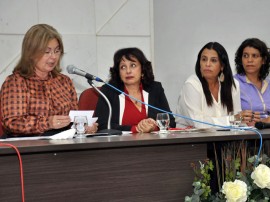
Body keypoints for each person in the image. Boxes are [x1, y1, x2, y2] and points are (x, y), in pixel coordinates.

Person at [0, 24, 98, 137]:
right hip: (29, 147)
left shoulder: (64, 81)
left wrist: (84, 126)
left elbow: (73, 119)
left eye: (57, 51)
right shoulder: (16, 82)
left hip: (63, 144)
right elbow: (12, 122)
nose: (53, 57)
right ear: (31, 53)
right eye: (47, 52)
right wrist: (47, 123)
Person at [95, 47, 176, 133]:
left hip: (152, 143)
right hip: (120, 144)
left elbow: (170, 121)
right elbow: (102, 125)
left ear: (142, 70)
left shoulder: (155, 89)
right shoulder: (109, 91)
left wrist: (154, 127)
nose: (128, 71)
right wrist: (135, 129)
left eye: (133, 65)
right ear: (118, 72)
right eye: (123, 67)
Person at [176, 42, 242, 128]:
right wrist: (230, 120)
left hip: (225, 138)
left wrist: (238, 119)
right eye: (204, 59)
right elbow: (198, 123)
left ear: (222, 66)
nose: (207, 64)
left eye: (213, 60)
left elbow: (238, 119)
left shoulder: (232, 85)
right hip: (192, 139)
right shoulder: (192, 84)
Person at [234, 38, 270, 125]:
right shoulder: (233, 83)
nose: (249, 60)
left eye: (254, 56)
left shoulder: (268, 84)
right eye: (245, 56)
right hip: (244, 134)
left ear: (264, 60)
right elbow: (228, 115)